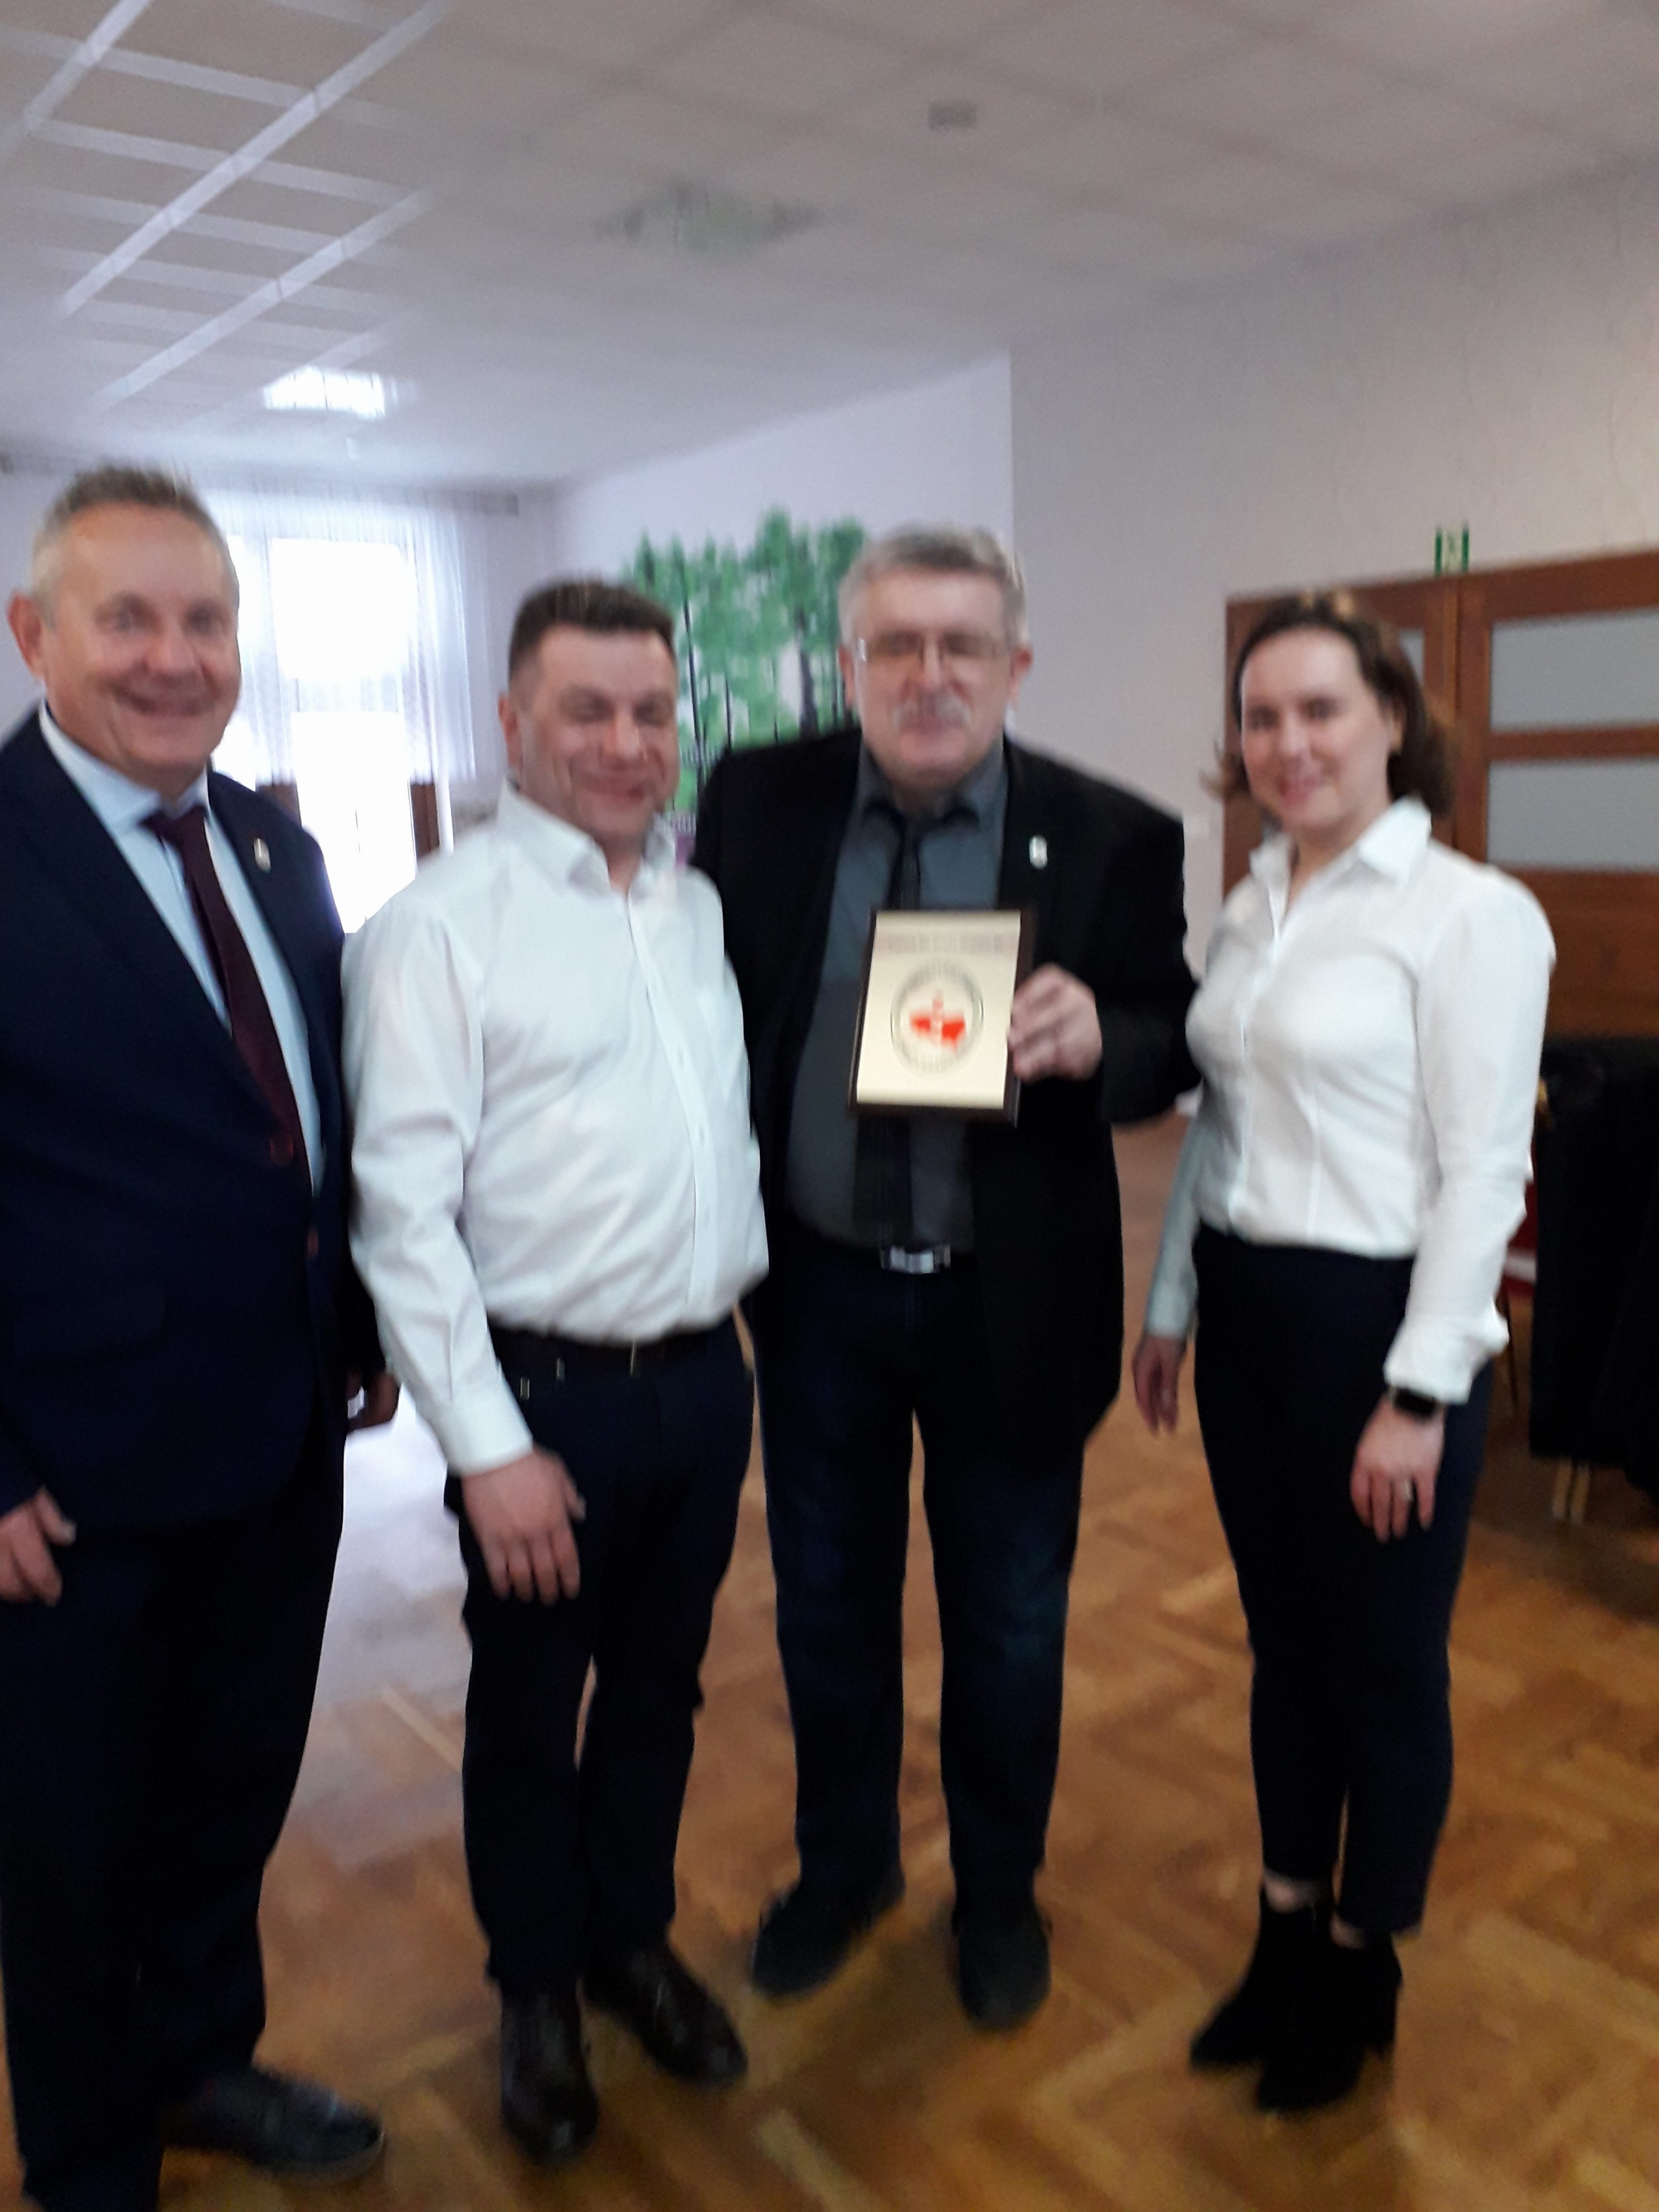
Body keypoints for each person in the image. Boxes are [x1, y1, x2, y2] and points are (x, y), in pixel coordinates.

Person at [694, 525, 1197, 2030]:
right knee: (825, 1610)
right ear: (850, 665)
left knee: (1010, 1630)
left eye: (962, 645)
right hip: (821, 1300)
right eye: (895, 646)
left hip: (1010, 1307)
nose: (929, 675)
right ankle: (846, 1869)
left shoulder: (1115, 835)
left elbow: (1175, 1028)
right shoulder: (759, 801)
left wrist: (1108, 1037)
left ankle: (997, 1896)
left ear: (1014, 666)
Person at [0, 467, 397, 2212]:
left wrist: (355, 1322)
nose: (176, 658)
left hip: (280, 1434)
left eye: (207, 621)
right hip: (71, 1481)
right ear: (35, 636)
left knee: (229, 1792)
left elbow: (304, 1112)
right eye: (129, 620)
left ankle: (200, 2061)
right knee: (72, 1846)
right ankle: (90, 2165)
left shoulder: (273, 844)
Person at [345, 577, 768, 2166]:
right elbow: (401, 1215)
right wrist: (486, 1447)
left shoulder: (694, 909)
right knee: (531, 1713)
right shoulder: (438, 929)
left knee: (660, 1689)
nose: (624, 742)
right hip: (546, 1408)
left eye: (651, 712)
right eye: (586, 711)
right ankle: (535, 1989)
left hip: (702, 1383)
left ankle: (627, 1944)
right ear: (514, 723)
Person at [1132, 593, 1553, 2112]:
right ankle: (1285, 1935)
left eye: (1321, 710)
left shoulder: (1469, 915)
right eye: (1262, 716)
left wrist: (1420, 1393)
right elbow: (1221, 1125)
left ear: (1393, 721)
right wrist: (1172, 1301)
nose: (1288, 742)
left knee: (1383, 1666)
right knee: (1285, 1649)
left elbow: (1484, 1176)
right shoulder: (1256, 904)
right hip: (1250, 1324)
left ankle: (1365, 1969)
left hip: (1381, 1336)